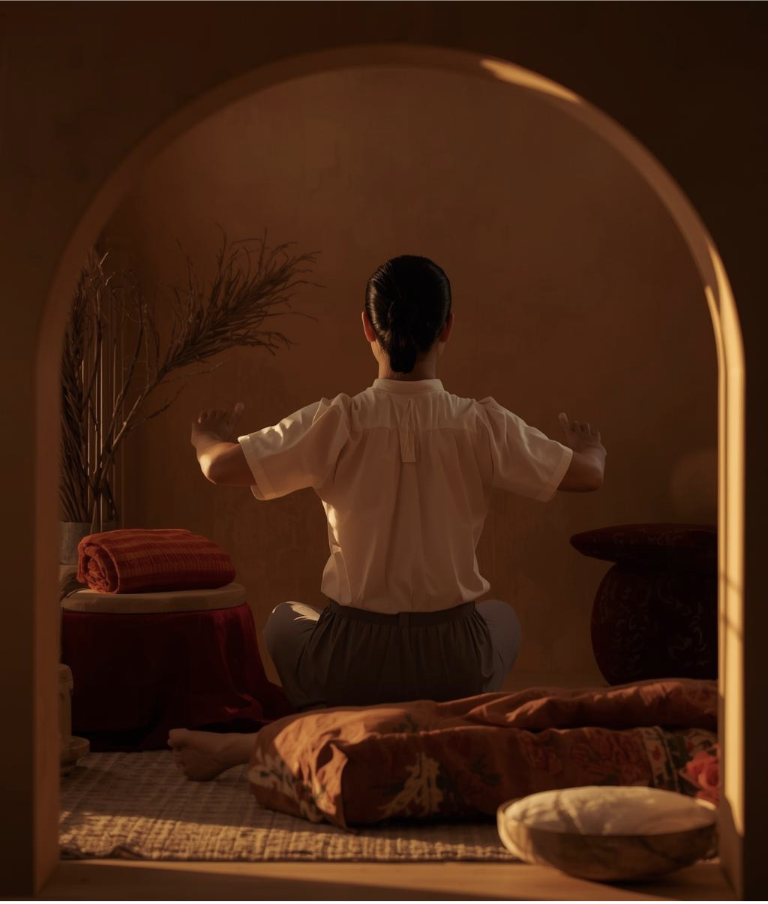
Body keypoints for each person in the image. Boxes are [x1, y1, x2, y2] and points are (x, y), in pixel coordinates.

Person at [170, 254, 607, 780]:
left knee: (285, 619)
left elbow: (218, 467)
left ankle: (318, 732)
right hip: (453, 661)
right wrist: (589, 447)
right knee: (503, 619)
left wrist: (205, 436)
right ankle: (434, 725)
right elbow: (587, 475)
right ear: (447, 328)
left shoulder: (337, 420)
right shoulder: (479, 424)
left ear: (366, 326)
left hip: (351, 662)